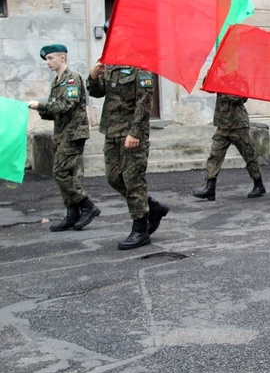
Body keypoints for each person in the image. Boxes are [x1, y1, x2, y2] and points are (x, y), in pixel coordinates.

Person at [87, 24, 169, 250]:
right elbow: (97, 92)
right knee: (114, 178)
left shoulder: (140, 66)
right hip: (112, 132)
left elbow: (144, 104)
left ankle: (140, 229)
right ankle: (152, 206)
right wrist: (93, 76)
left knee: (133, 182)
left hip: (132, 135)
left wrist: (135, 132)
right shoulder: (111, 64)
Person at [28, 44, 100, 232]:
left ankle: (87, 206)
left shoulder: (72, 79)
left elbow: (67, 105)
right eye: (46, 59)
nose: (48, 62)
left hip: (74, 133)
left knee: (60, 172)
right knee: (67, 174)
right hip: (62, 133)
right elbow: (55, 111)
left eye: (51, 58)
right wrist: (38, 109)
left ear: (63, 58)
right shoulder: (57, 81)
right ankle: (72, 213)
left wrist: (40, 105)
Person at [191, 90, 265, 201]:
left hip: (239, 124)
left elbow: (241, 97)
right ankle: (210, 188)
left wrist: (224, 87)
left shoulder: (240, 79)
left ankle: (259, 184)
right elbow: (208, 87)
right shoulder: (219, 78)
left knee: (249, 155)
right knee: (214, 155)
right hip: (223, 124)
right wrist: (211, 76)